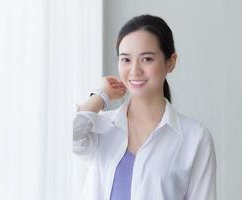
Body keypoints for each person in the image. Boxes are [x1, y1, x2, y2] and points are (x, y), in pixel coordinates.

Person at [73, 14, 216, 200]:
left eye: (147, 59)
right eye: (126, 59)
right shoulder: (103, 127)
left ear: (170, 62)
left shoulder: (195, 138)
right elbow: (68, 136)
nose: (135, 70)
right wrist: (101, 95)